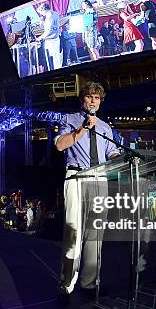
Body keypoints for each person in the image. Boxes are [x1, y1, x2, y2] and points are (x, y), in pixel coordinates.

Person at [54, 81, 120, 297]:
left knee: (95, 235)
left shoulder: (105, 126)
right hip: (76, 177)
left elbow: (112, 153)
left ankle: (90, 284)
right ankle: (66, 284)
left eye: (97, 98)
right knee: (73, 231)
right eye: (90, 97)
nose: (93, 101)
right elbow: (60, 145)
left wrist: (123, 159)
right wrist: (83, 128)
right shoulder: (70, 120)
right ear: (82, 99)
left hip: (100, 179)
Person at [35, 3, 62, 71]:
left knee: (54, 58)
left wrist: (39, 38)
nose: (41, 14)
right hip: (55, 38)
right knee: (56, 58)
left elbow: (48, 31)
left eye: (41, 12)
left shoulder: (49, 16)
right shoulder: (54, 13)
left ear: (44, 10)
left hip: (51, 40)